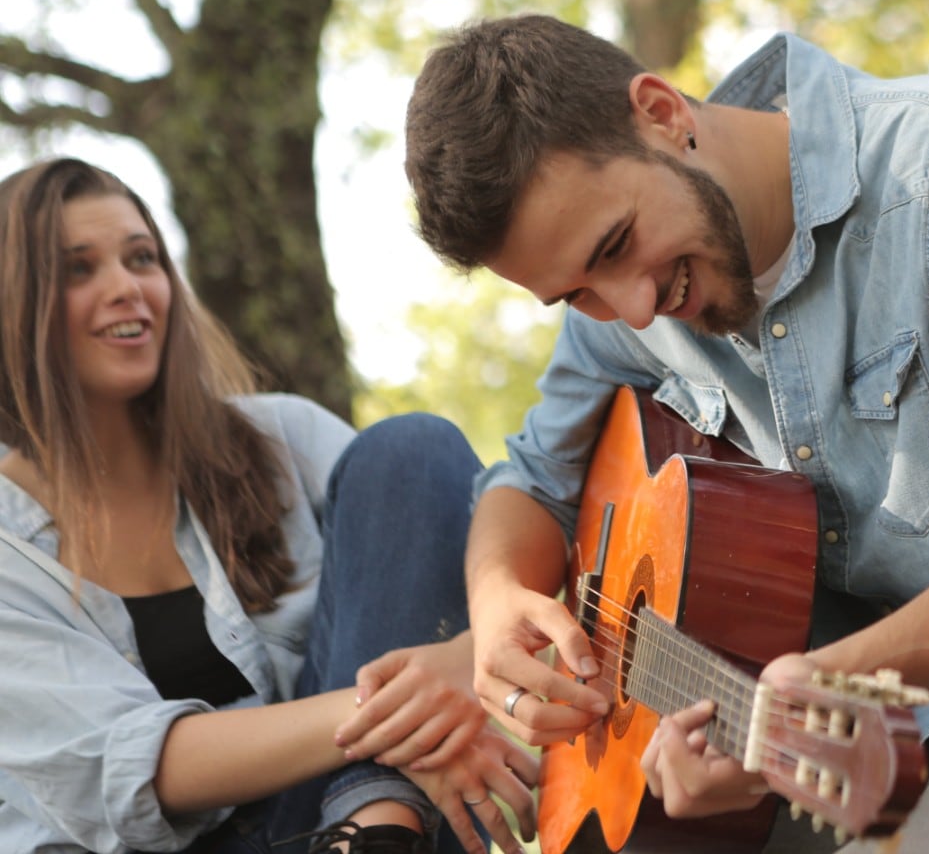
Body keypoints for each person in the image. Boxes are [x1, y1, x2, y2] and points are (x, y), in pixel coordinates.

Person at [402, 13, 929, 851]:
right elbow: (528, 482)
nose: (627, 308)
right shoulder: (622, 299)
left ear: (663, 114)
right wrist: (499, 598)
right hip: (847, 763)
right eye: (577, 294)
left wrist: (819, 692)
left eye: (619, 244)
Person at [0, 159, 538, 854]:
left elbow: (423, 566)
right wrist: (414, 703)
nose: (126, 288)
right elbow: (135, 769)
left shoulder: (283, 439)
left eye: (142, 259)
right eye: (79, 269)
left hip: (339, 818)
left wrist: (470, 654)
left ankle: (378, 833)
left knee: (412, 448)